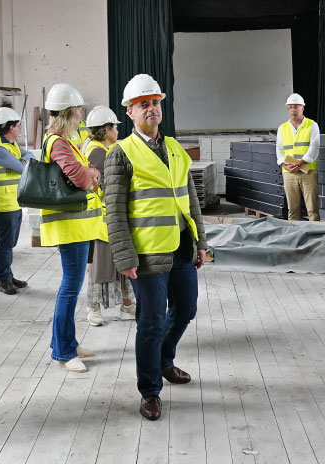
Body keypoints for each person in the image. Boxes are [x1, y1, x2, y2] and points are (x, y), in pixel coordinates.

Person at [104, 74, 208, 421]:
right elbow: (114, 210)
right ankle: (150, 391)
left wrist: (202, 243)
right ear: (130, 113)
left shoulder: (175, 148)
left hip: (181, 246)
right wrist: (124, 255)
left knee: (186, 309)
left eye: (155, 102)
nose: (152, 109)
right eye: (144, 104)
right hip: (146, 255)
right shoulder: (121, 154)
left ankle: (164, 361)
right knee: (150, 321)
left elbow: (190, 199)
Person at [41, 83, 103, 373]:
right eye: (78, 112)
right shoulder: (58, 143)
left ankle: (67, 342)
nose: (81, 117)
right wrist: (91, 173)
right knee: (69, 288)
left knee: (72, 286)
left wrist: (88, 171)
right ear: (66, 114)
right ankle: (64, 352)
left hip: (76, 226)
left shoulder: (65, 141)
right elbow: (79, 178)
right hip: (69, 227)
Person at [82, 105, 136, 326]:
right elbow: (109, 184)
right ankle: (92, 307)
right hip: (102, 218)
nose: (117, 131)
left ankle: (127, 304)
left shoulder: (97, 148)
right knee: (101, 266)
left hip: (107, 216)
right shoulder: (97, 152)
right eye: (114, 127)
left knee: (122, 259)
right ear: (105, 129)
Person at [0, 106, 34, 295]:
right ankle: (3, 280)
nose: (20, 130)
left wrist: (23, 161)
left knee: (10, 242)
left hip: (13, 201)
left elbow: (29, 156)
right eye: (18, 126)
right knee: (5, 243)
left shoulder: (10, 146)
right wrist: (22, 163)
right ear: (11, 128)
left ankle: (7, 274)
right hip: (3, 203)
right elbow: (24, 168)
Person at [276, 93, 320, 221]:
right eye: (290, 107)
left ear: (302, 108)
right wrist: (286, 165)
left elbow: (314, 148)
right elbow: (279, 150)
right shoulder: (282, 128)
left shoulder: (312, 125)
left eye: (295, 107)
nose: (293, 110)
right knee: (292, 210)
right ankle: (294, 237)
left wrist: (299, 164)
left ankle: (316, 236)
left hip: (308, 172)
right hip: (289, 173)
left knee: (312, 209)